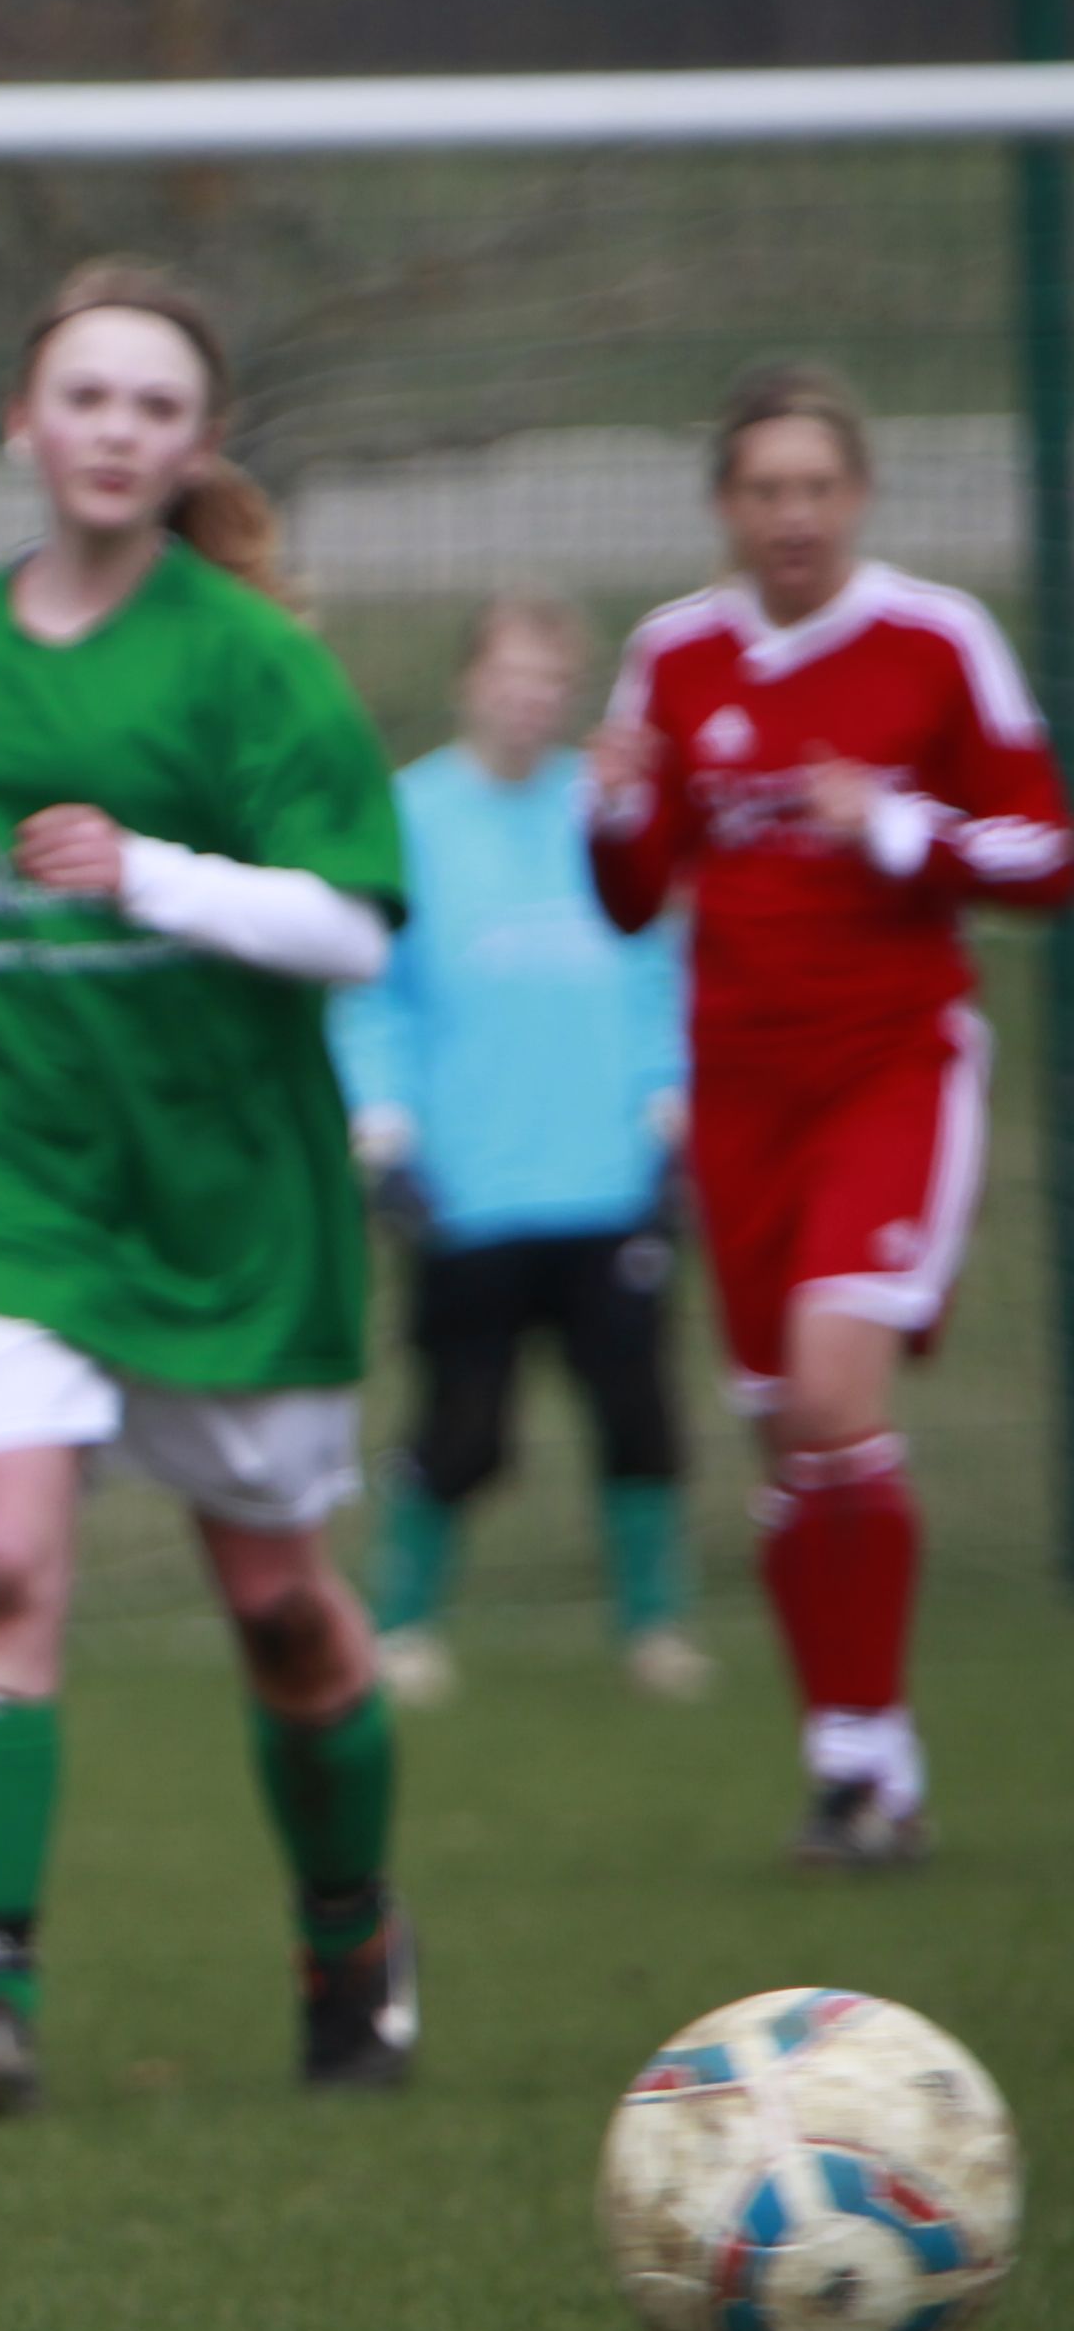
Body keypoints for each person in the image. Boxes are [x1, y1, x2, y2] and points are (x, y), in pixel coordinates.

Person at [0, 260, 417, 2117]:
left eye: (155, 406)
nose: (114, 430)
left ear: (199, 443)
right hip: (17, 1174)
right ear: (23, 420)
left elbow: (355, 925)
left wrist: (151, 870)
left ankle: (349, 1931)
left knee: (284, 1614)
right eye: (84, 396)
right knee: (3, 1561)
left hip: (229, 1199)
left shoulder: (251, 657)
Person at [589, 362, 1067, 1870]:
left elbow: (1048, 853)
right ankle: (850, 1760)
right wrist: (615, 811)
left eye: (816, 486)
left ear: (857, 496)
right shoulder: (672, 656)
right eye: (764, 490)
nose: (792, 514)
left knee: (832, 1396)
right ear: (724, 508)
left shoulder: (936, 639)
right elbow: (632, 898)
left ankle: (872, 1764)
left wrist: (904, 826)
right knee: (787, 1442)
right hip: (739, 1091)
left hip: (891, 1066)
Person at [328, 592, 703, 1708]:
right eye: (509, 677)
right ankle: (403, 1625)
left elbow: (657, 973)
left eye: (550, 681)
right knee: (463, 1424)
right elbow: (371, 994)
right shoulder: (410, 815)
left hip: (608, 1182)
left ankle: (654, 1630)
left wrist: (668, 1110)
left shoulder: (607, 813)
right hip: (470, 1187)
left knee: (637, 1413)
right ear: (467, 684)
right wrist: (384, 1129)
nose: (529, 701)